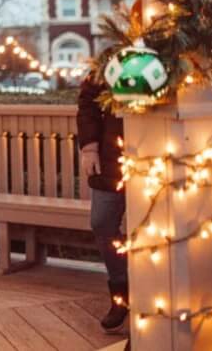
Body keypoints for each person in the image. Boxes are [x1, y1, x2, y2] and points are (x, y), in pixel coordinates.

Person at [78, 71, 128, 333]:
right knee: (101, 222)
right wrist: (89, 147)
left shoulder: (174, 48)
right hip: (111, 157)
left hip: (160, 152)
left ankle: (154, 291)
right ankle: (122, 291)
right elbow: (88, 102)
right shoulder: (112, 58)